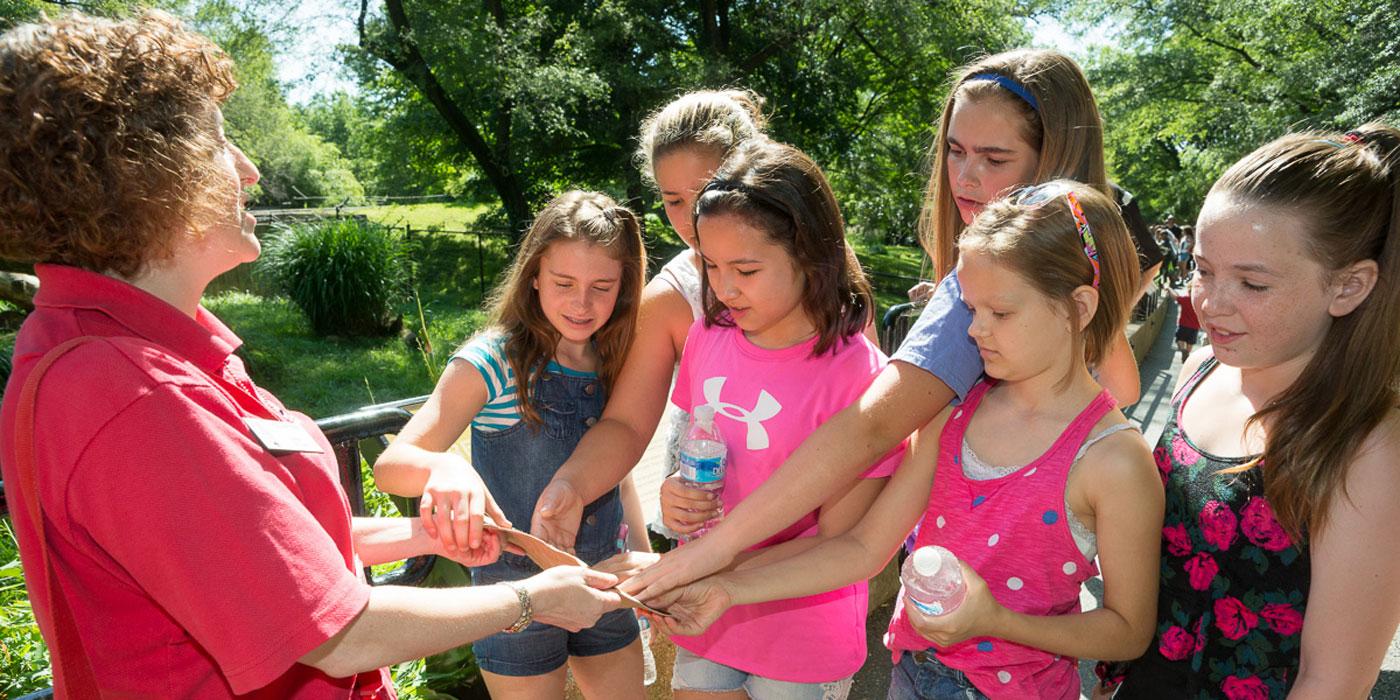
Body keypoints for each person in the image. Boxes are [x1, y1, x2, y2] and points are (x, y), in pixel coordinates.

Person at [0, 11, 623, 698]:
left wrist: (422, 538)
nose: (250, 169)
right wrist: (535, 599)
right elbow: (338, 633)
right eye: (218, 143)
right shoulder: (130, 391)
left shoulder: (139, 355)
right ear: (143, 175)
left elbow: (267, 552)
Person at [625, 47, 1158, 601]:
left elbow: (870, 428)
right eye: (954, 151)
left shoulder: (968, 297)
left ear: (1051, 159)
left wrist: (714, 551)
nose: (966, 177)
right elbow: (1121, 387)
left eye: (995, 159)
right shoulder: (1036, 294)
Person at [651, 180, 1161, 699]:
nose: (975, 331)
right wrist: (725, 588)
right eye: (970, 307)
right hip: (912, 676)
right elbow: (862, 547)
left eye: (999, 313)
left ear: (1079, 307)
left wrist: (995, 620)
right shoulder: (950, 417)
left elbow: (1127, 630)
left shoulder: (1115, 461)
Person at [1097, 125, 1400, 698]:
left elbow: (1331, 682)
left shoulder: (1368, 449)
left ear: (1350, 287)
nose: (1211, 302)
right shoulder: (1201, 369)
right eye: (1205, 270)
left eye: (1253, 283)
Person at [637, 138, 900, 699]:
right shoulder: (707, 336)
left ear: (809, 254)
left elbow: (841, 537)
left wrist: (724, 570)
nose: (724, 288)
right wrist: (670, 496)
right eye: (710, 265)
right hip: (704, 615)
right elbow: (697, 451)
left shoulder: (862, 378)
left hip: (802, 635)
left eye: (747, 269)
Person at [373, 191, 647, 698]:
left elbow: (619, 468)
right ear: (534, 275)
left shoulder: (619, 359)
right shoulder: (492, 360)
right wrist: (445, 471)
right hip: (517, 602)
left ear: (625, 288)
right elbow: (393, 465)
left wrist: (645, 566)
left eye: (602, 287)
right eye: (564, 283)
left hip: (607, 586)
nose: (581, 304)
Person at [525, 89, 768, 552]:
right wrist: (571, 487)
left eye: (707, 193)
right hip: (707, 537)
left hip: (812, 539)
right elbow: (627, 425)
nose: (692, 218)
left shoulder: (827, 271)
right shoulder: (671, 297)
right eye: (673, 199)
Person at [1173, 286, 1201, 364]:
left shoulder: (1186, 300)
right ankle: (1186, 355)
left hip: (1183, 325)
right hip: (1195, 327)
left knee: (1179, 339)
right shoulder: (1198, 302)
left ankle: (1183, 350)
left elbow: (1176, 297)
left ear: (1189, 291)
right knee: (1190, 343)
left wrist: (1168, 289)